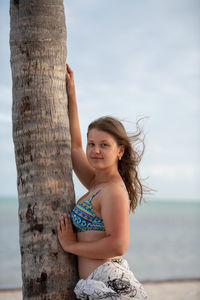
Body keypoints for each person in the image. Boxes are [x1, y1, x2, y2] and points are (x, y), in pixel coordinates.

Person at [57, 64, 149, 299]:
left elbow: (118, 245)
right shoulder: (96, 183)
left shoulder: (113, 192)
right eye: (93, 144)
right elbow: (75, 146)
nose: (95, 150)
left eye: (104, 145)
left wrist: (71, 246)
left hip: (109, 286)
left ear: (120, 151)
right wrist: (71, 93)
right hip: (98, 287)